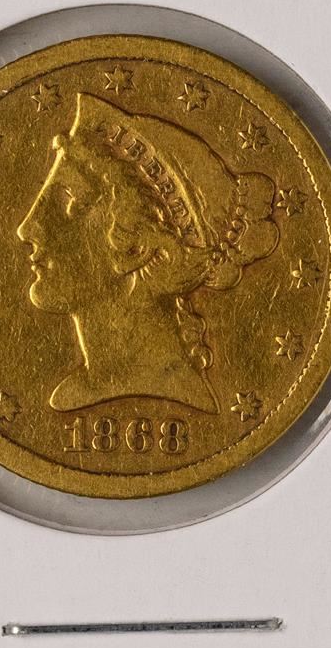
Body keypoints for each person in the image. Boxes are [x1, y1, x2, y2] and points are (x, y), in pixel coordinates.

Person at [17, 92, 279, 412]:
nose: (27, 228)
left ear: (136, 249)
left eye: (71, 200)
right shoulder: (72, 393)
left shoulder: (175, 396)